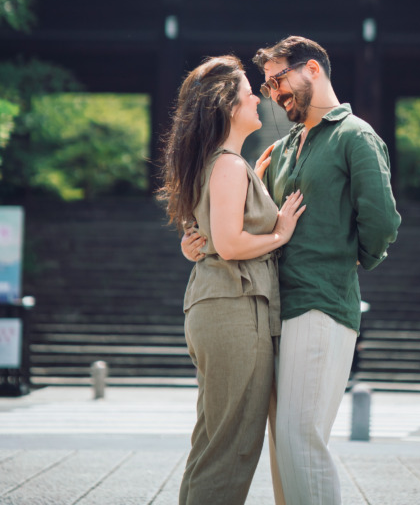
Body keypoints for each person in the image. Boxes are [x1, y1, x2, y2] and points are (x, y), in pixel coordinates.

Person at [183, 36, 401, 505]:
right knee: (284, 446)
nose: (273, 94)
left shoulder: (355, 135)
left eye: (279, 80)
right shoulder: (280, 149)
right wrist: (195, 240)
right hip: (269, 310)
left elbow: (382, 220)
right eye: (265, 86)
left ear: (314, 70)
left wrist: (349, 258)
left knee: (300, 440)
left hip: (320, 302)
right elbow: (237, 217)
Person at [160, 54, 306, 505]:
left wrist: (255, 180)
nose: (259, 100)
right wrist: (280, 231)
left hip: (222, 308)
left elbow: (212, 234)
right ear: (227, 106)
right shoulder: (226, 164)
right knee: (231, 447)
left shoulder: (225, 163)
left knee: (216, 442)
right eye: (248, 93)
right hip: (234, 312)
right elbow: (229, 243)